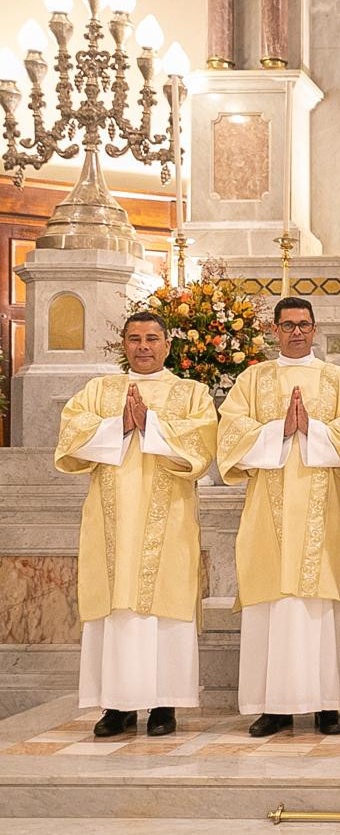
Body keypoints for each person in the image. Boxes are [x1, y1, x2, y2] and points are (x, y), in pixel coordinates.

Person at [54, 311, 217, 737]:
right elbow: (71, 438)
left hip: (169, 522)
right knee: (116, 609)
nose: (143, 346)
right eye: (134, 338)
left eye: (151, 338)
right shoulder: (99, 390)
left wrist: (152, 424)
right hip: (111, 522)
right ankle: (116, 706)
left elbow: (201, 446)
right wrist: (120, 424)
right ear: (122, 344)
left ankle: (165, 705)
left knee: (165, 607)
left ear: (167, 344)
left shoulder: (191, 393)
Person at [217, 297, 340, 737]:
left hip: (323, 511)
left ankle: (326, 704)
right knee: (272, 605)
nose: (297, 332)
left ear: (315, 328)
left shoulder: (338, 380)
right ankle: (273, 706)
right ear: (275, 330)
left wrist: (315, 430)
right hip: (268, 511)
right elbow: (229, 434)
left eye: (304, 324)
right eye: (288, 326)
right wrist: (278, 430)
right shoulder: (253, 380)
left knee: (318, 606)